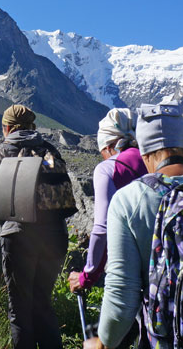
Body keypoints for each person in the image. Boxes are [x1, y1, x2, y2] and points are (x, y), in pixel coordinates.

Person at [86, 103, 183, 349]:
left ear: (144, 152)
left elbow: (122, 295)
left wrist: (103, 342)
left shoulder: (129, 200)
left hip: (171, 337)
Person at [0, 104, 70, 349]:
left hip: (19, 235)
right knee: (42, 303)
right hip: (55, 234)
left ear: (8, 127)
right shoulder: (50, 149)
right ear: (32, 126)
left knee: (20, 308)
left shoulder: (4, 149)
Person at [67, 108, 146, 294]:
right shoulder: (153, 160)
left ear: (109, 146)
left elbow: (102, 228)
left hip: (128, 269)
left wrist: (87, 276)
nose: (103, 156)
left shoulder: (108, 169)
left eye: (102, 151)